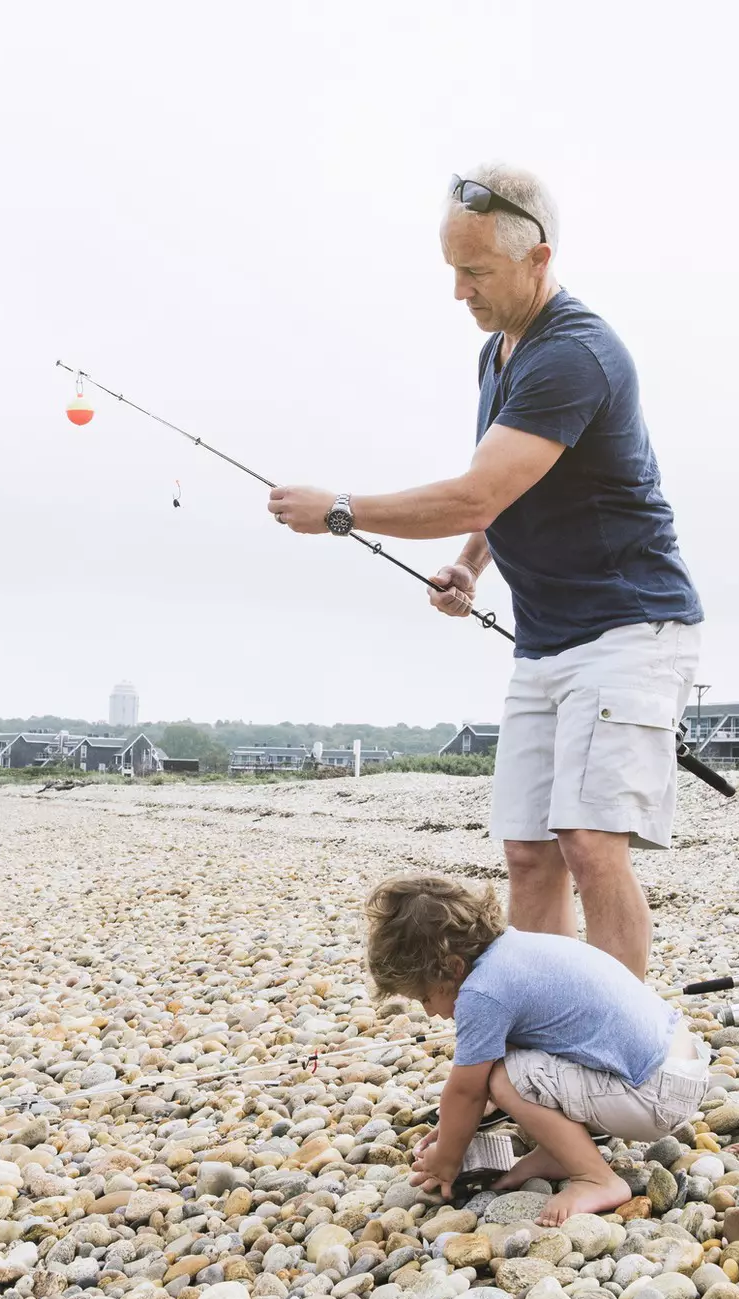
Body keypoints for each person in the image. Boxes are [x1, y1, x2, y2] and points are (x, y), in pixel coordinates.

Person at [267, 163, 703, 980]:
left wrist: (341, 510)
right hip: (544, 640)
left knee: (590, 843)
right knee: (530, 854)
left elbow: (478, 490)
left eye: (476, 272)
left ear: (537, 259)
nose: (460, 292)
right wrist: (471, 566)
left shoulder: (575, 354)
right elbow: (507, 500)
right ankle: (549, 1032)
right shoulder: (499, 352)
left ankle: (622, 1049)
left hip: (630, 628)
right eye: (452, 270)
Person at [363, 873, 708, 1224]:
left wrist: (447, 1160)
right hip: (679, 1062)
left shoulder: (482, 992)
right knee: (516, 1061)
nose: (430, 1012)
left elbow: (467, 1091)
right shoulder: (516, 948)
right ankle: (561, 1153)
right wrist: (456, 1128)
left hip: (656, 1093)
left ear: (453, 967)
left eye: (426, 996)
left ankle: (596, 1178)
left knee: (504, 1079)